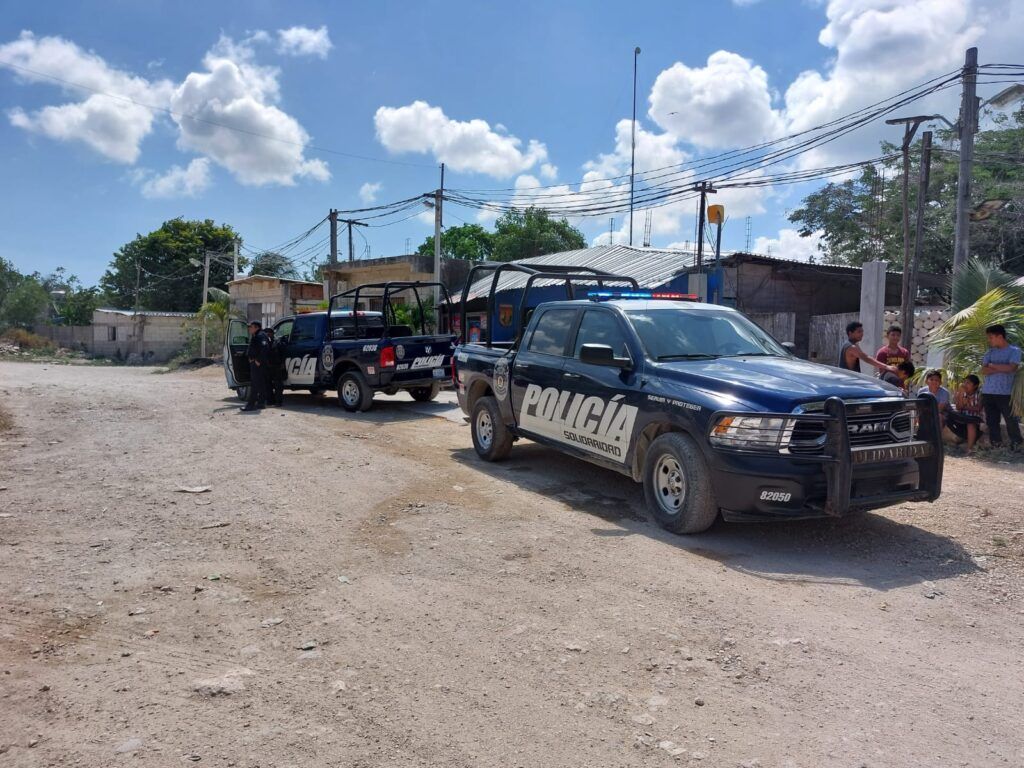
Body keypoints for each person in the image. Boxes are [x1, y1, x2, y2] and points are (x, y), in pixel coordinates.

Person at [980, 323, 1022, 448]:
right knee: (992, 421)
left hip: (1006, 393)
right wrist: (1001, 368)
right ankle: (996, 446)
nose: (989, 340)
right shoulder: (990, 352)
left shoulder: (1015, 351)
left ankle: (1016, 446)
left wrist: (992, 366)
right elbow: (983, 370)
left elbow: (1012, 367)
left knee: (1011, 421)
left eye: (991, 337)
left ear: (1000, 336)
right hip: (988, 392)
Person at [240, 321, 270, 413]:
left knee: (255, 384)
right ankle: (261, 403)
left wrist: (258, 360)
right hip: (256, 362)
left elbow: (265, 348)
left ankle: (251, 405)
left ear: (256, 327)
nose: (249, 328)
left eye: (251, 327)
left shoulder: (261, 335)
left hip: (258, 364)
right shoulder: (256, 335)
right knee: (260, 384)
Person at [948, 374, 983, 452]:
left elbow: (978, 409)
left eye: (968, 383)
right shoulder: (961, 392)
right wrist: (960, 394)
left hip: (975, 419)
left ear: (975, 386)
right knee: (948, 415)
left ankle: (969, 449)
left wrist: (965, 406)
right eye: (965, 382)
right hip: (963, 417)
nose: (965, 385)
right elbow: (958, 407)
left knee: (970, 424)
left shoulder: (980, 394)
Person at [266, 327, 285, 407]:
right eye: (267, 334)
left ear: (272, 334)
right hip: (268, 366)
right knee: (268, 385)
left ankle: (278, 402)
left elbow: (283, 353)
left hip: (277, 366)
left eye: (269, 334)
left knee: (278, 385)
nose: (268, 335)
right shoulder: (265, 342)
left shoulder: (278, 342)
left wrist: (282, 364)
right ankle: (270, 401)